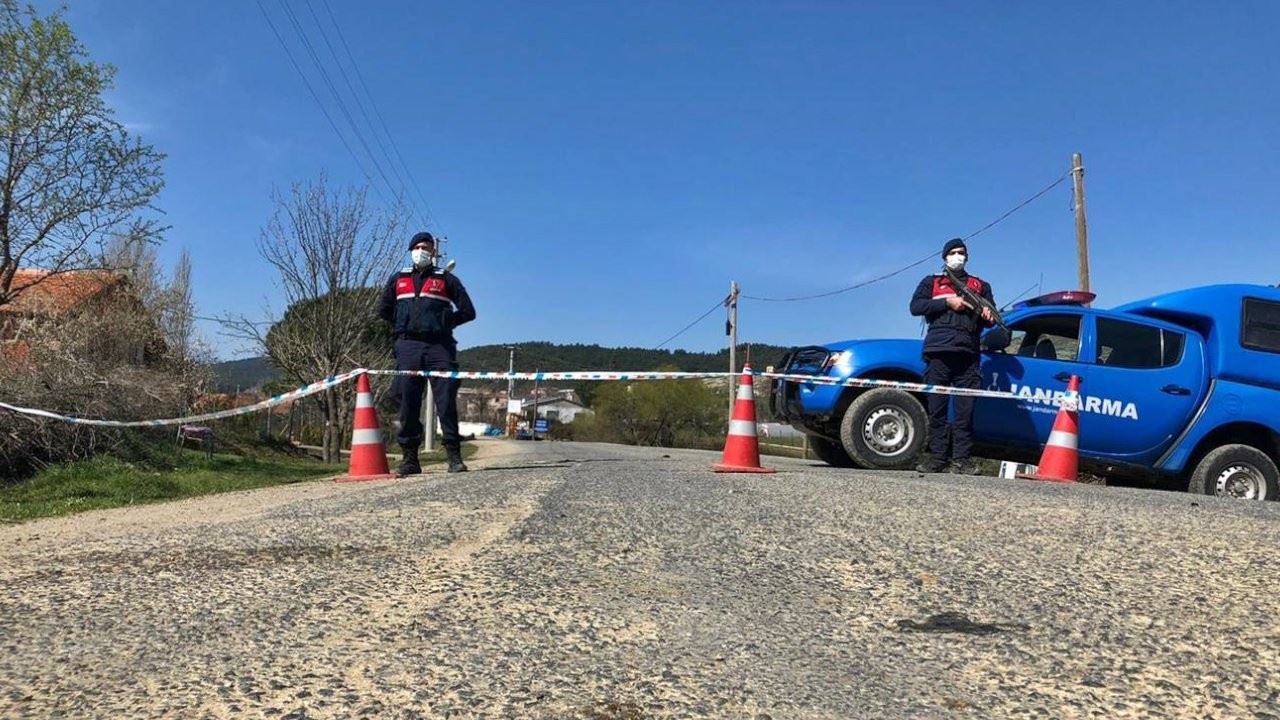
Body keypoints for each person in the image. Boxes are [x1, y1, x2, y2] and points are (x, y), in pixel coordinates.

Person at [379, 231, 476, 475]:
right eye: (419, 246)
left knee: (445, 402)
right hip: (408, 346)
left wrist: (445, 323)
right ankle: (410, 459)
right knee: (408, 402)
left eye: (428, 247)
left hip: (440, 347)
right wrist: (404, 326)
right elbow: (384, 310)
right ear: (411, 250)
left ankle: (453, 456)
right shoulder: (397, 279)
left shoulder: (446, 280)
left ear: (434, 253)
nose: (423, 250)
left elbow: (468, 311)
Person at [909, 237, 995, 475]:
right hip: (938, 352)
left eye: (963, 253)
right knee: (936, 409)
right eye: (954, 252)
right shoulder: (932, 282)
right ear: (945, 256)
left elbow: (990, 318)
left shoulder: (980, 285)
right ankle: (937, 458)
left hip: (968, 354)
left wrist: (987, 315)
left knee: (965, 412)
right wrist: (948, 302)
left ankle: (962, 459)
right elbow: (915, 307)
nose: (959, 256)